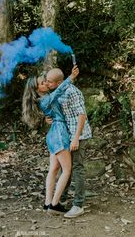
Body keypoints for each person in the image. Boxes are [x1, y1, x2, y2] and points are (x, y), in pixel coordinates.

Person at [22, 66, 79, 214]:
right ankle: (54, 205)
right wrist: (71, 77)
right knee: (66, 170)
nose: (46, 84)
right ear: (37, 90)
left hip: (53, 134)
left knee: (53, 170)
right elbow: (59, 91)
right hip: (59, 133)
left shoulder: (43, 99)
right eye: (42, 83)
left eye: (45, 82)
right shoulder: (46, 99)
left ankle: (48, 203)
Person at [45, 68, 92, 218]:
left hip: (77, 135)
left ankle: (78, 204)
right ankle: (60, 200)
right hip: (65, 135)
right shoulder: (56, 92)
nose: (47, 83)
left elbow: (82, 115)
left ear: (58, 82)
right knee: (66, 169)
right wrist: (48, 119)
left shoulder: (73, 91)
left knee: (77, 168)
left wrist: (76, 138)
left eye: (49, 81)